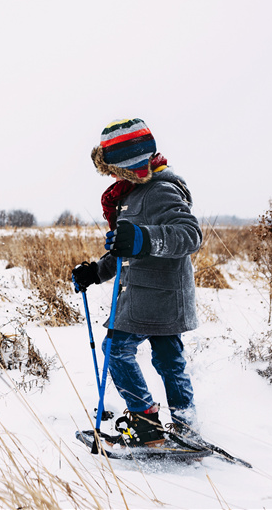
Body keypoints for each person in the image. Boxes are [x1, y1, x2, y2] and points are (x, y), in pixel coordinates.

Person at [72, 118, 202, 447]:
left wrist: (144, 237)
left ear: (129, 165)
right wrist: (95, 272)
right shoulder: (131, 195)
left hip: (157, 295)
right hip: (151, 294)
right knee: (169, 358)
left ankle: (146, 424)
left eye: (114, 168)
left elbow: (190, 235)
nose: (112, 176)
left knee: (116, 349)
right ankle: (186, 427)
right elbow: (124, 251)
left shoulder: (160, 190)